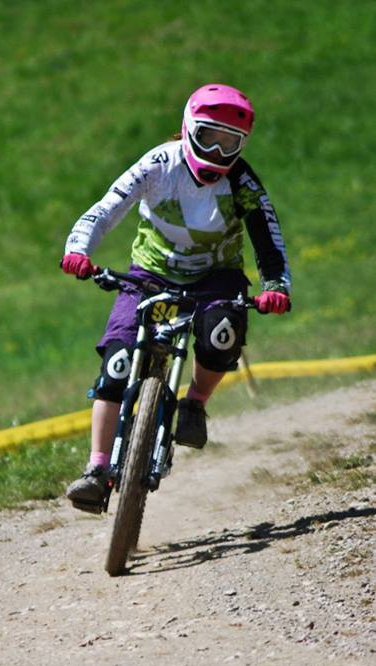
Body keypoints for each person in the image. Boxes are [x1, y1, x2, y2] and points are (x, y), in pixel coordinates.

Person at [61, 83, 291, 513]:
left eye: (230, 144)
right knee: (116, 364)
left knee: (222, 335)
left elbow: (268, 237)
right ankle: (96, 468)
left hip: (216, 277)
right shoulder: (158, 164)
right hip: (150, 274)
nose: (217, 154)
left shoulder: (242, 182)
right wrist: (78, 249)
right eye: (209, 138)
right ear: (188, 129)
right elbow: (108, 207)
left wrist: (276, 287)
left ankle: (196, 404)